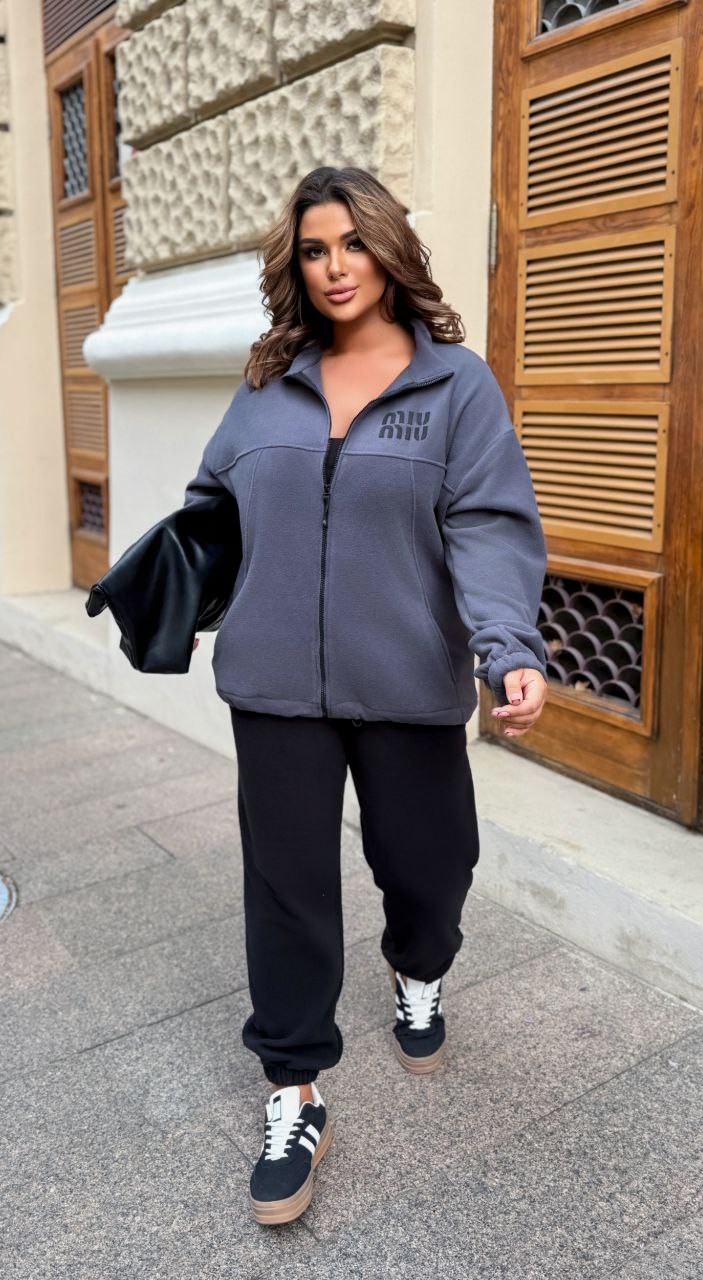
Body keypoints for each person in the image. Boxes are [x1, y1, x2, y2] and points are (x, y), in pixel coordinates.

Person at [181, 166, 549, 1226]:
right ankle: (293, 1088)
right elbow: (214, 500)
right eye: (314, 248)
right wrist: (177, 585)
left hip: (405, 675)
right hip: (274, 682)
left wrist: (506, 646)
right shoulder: (269, 381)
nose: (335, 267)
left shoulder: (455, 385)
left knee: (432, 866)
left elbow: (486, 523)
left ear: (388, 250)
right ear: (294, 264)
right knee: (286, 886)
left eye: (352, 243)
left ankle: (417, 969)